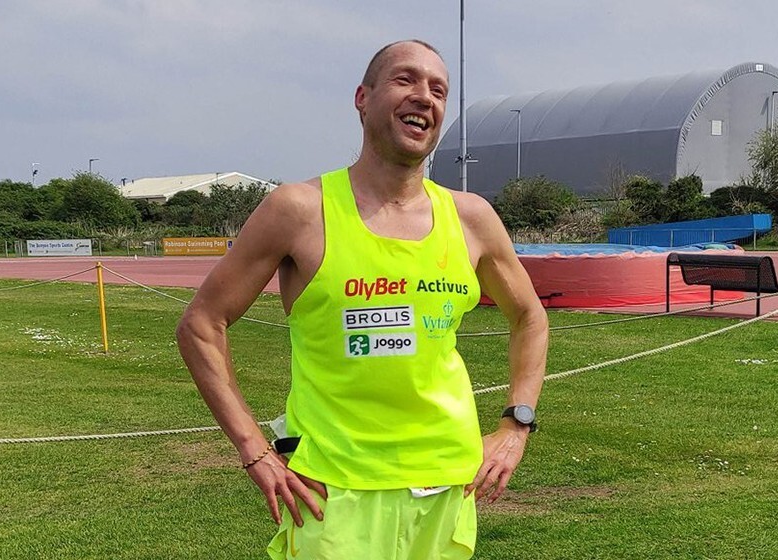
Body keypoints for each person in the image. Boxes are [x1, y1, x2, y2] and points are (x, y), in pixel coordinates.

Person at [177, 39, 548, 560]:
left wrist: (516, 425)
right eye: (405, 79)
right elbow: (201, 325)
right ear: (362, 98)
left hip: (446, 484)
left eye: (439, 89)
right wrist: (253, 449)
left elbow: (530, 316)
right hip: (332, 490)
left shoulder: (472, 218)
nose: (424, 97)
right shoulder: (300, 209)